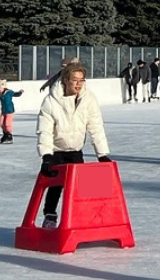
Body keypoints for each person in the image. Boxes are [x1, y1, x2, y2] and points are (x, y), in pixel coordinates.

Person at [36, 62, 112, 228]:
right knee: (55, 186)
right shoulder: (51, 101)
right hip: (56, 151)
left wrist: (102, 154)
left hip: (76, 151)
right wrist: (46, 155)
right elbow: (45, 131)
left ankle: (83, 219)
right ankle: (50, 216)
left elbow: (96, 127)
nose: (78, 84)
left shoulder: (89, 99)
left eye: (81, 80)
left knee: (81, 188)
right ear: (65, 80)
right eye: (74, 80)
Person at [0, 80, 25, 144]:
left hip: (9, 111)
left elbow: (15, 94)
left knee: (7, 124)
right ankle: (5, 134)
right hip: (3, 111)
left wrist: (20, 92)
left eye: (0, 87)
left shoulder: (9, 92)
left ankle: (9, 135)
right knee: (1, 123)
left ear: (4, 87)